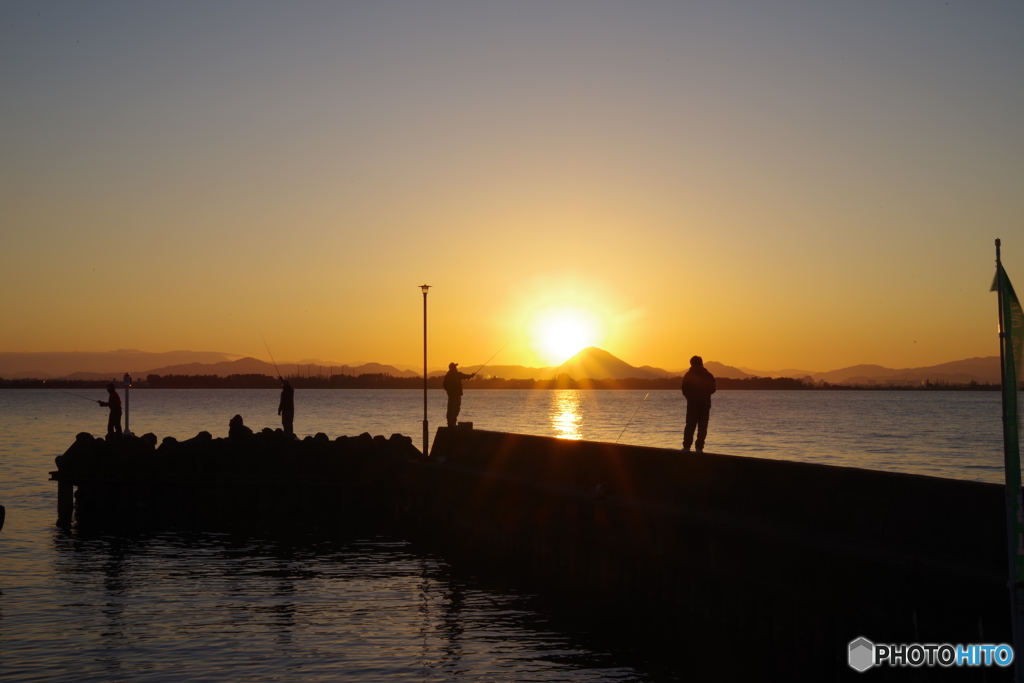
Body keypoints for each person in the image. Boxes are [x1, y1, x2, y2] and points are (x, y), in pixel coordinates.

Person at [681, 355, 716, 453]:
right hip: (705, 405)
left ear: (691, 363)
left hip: (692, 405)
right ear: (701, 363)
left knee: (690, 426)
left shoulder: (688, 375)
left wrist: (690, 397)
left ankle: (686, 447)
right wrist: (705, 394)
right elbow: (713, 389)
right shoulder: (708, 375)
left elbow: (684, 389)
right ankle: (699, 448)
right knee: (702, 427)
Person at [443, 362, 475, 428]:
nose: (456, 367)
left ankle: (449, 423)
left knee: (450, 409)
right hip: (457, 395)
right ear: (454, 368)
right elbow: (466, 376)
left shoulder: (447, 376)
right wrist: (472, 375)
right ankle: (452, 423)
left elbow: (444, 385)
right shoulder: (457, 374)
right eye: (455, 366)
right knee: (456, 409)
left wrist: (448, 390)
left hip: (450, 395)